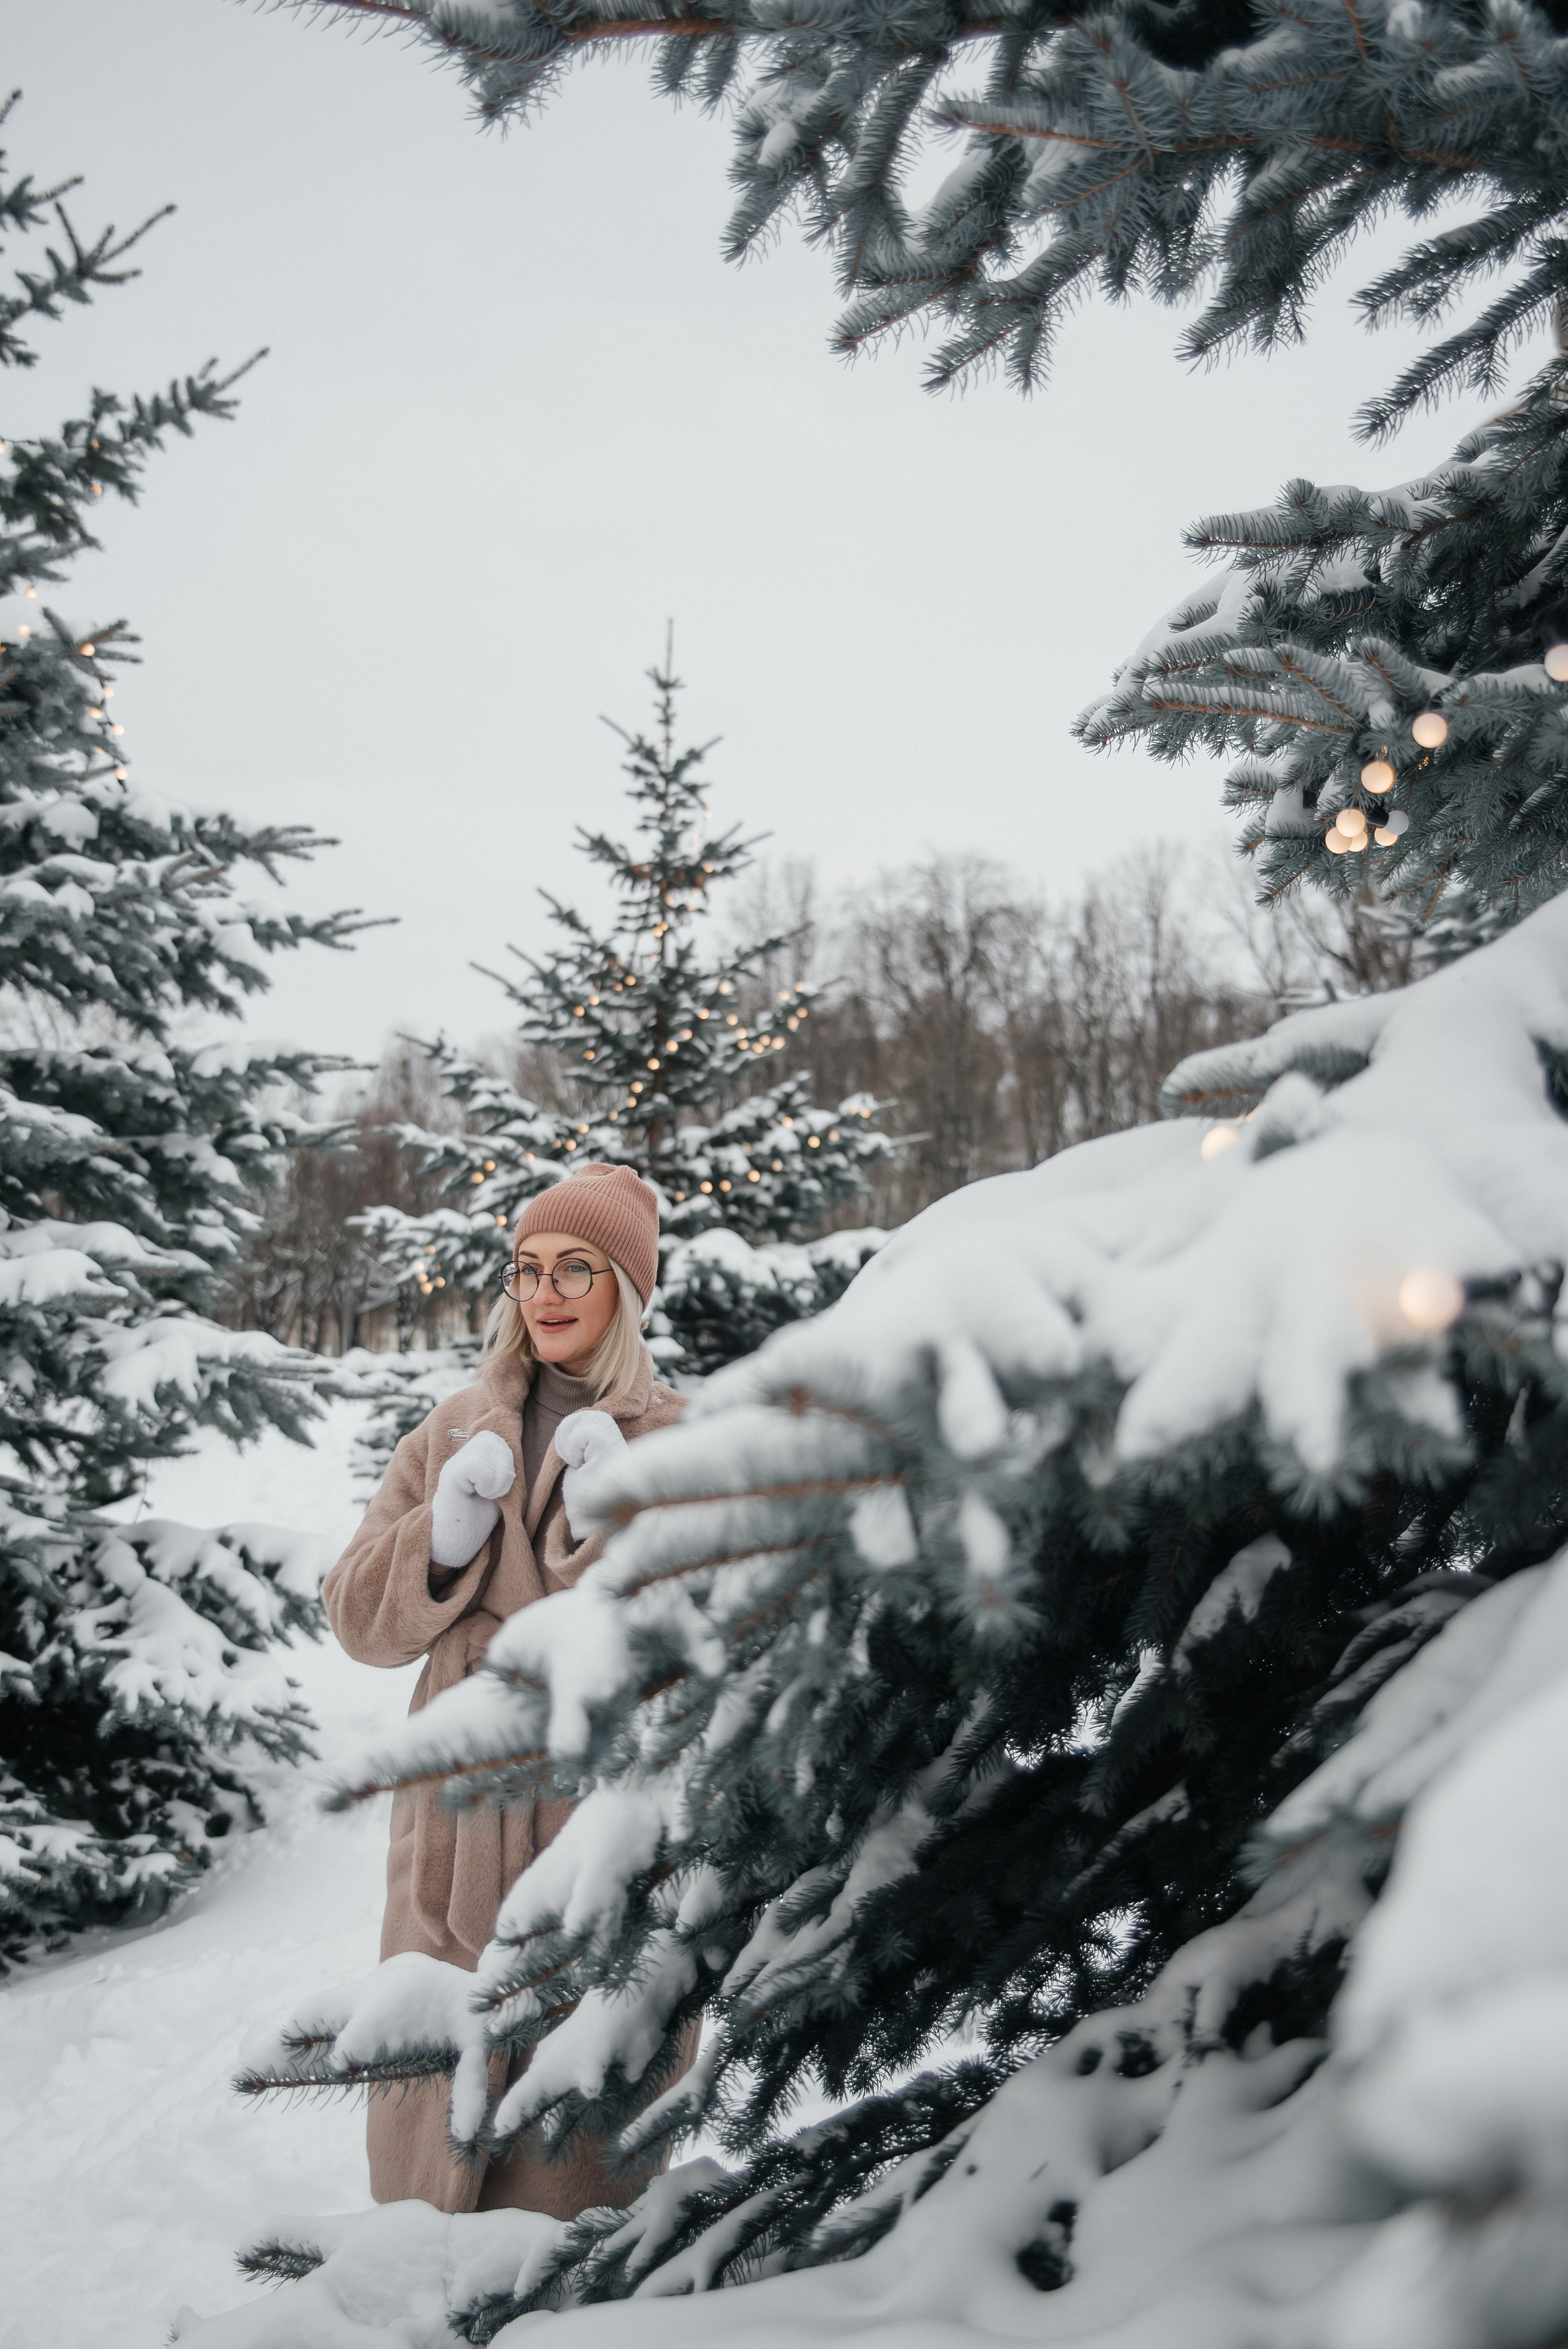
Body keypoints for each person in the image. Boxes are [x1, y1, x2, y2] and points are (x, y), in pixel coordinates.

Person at [323, 1161, 688, 2217]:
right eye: (528, 1268)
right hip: (453, 1826)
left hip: (599, 1832)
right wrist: (439, 1545)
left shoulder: (680, 1436)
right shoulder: (451, 1430)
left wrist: (620, 1513)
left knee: (567, 2185)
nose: (547, 1291)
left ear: (626, 1285)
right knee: (425, 2155)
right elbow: (353, 1618)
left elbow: (714, 1634)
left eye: (578, 1266)